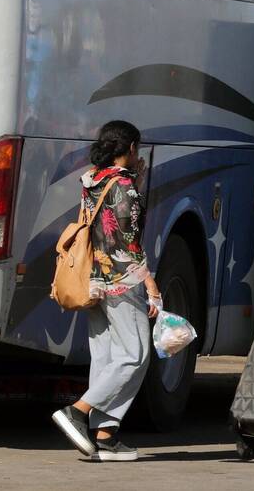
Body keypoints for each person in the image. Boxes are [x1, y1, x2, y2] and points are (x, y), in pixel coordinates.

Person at [52, 121, 162, 462]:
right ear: (130, 148)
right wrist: (151, 283)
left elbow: (104, 222)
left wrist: (136, 183)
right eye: (137, 148)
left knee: (106, 358)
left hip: (93, 281)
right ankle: (78, 411)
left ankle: (105, 435)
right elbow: (126, 242)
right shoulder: (124, 186)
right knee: (135, 354)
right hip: (121, 281)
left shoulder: (94, 179)